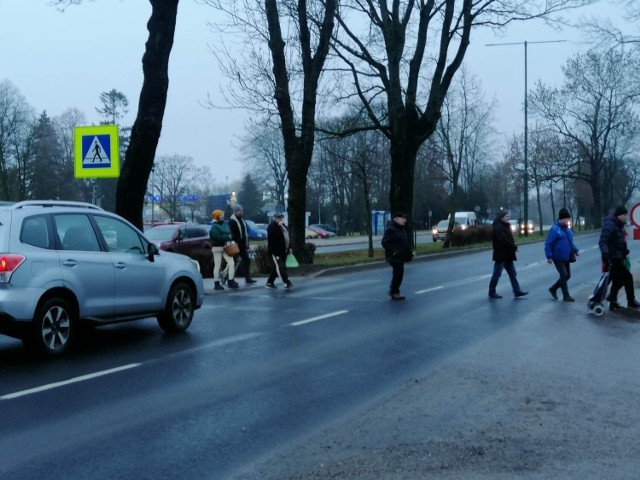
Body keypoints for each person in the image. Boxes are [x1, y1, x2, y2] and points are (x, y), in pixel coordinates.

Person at [599, 205, 640, 310]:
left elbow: (618, 241)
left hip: (617, 257)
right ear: (619, 215)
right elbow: (603, 241)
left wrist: (624, 250)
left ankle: (612, 301)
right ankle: (630, 301)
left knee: (616, 280)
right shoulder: (610, 225)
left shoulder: (618, 224)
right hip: (612, 258)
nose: (626, 217)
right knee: (627, 277)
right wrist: (605, 254)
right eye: (625, 215)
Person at [488, 211, 528, 299]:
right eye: (507, 216)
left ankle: (517, 291)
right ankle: (492, 291)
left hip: (507, 255)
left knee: (512, 273)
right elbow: (503, 240)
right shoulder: (498, 227)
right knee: (497, 274)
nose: (508, 218)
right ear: (502, 217)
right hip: (501, 255)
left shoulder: (504, 226)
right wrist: (514, 247)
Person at [544, 208, 580, 302]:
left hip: (566, 256)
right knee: (564, 275)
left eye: (569, 219)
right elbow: (548, 243)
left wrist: (576, 250)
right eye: (567, 219)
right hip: (557, 257)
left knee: (568, 276)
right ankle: (566, 296)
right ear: (562, 218)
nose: (568, 221)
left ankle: (553, 289)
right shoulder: (555, 229)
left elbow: (570, 242)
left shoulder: (567, 229)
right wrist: (549, 256)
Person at [381, 212, 413, 301]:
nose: (405, 220)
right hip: (394, 257)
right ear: (396, 219)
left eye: (405, 219)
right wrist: (394, 251)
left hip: (400, 256)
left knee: (399, 274)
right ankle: (394, 292)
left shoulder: (401, 229)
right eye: (403, 218)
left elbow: (405, 243)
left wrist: (409, 254)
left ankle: (394, 291)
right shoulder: (391, 229)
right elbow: (384, 242)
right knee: (398, 274)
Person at [209, 210, 239, 290]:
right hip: (217, 248)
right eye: (221, 215)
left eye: (223, 215)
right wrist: (227, 236)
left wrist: (225, 236)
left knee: (231, 263)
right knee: (217, 266)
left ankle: (230, 280)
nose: (223, 216)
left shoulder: (224, 225)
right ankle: (216, 283)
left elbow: (229, 234)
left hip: (226, 247)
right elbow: (217, 237)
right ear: (217, 216)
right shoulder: (214, 227)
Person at [228, 204, 257, 285]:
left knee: (247, 260)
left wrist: (246, 243)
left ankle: (247, 278)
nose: (242, 212)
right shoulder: (232, 221)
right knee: (232, 263)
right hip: (236, 245)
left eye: (242, 210)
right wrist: (239, 241)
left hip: (242, 245)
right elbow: (234, 234)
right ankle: (230, 279)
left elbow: (245, 232)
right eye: (240, 210)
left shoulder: (241, 219)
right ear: (235, 211)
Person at [265, 212, 293, 289]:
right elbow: (274, 237)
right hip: (275, 251)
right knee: (281, 267)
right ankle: (286, 282)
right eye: (279, 218)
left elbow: (286, 237)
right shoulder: (272, 226)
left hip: (283, 250)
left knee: (275, 268)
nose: (281, 219)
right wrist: (278, 226)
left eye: (281, 217)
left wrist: (289, 247)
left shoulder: (283, 226)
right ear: (275, 218)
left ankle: (269, 283)